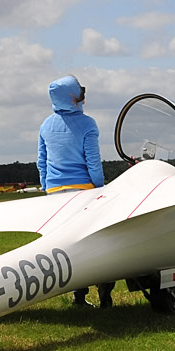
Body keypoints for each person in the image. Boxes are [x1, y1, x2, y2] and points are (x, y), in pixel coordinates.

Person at [38, 75, 115, 308]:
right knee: (101, 242)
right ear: (74, 97)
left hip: (54, 193)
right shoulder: (88, 124)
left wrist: (46, 187)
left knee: (68, 245)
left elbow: (42, 162)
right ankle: (105, 295)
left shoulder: (45, 125)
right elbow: (93, 161)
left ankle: (78, 297)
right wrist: (100, 187)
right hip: (83, 191)